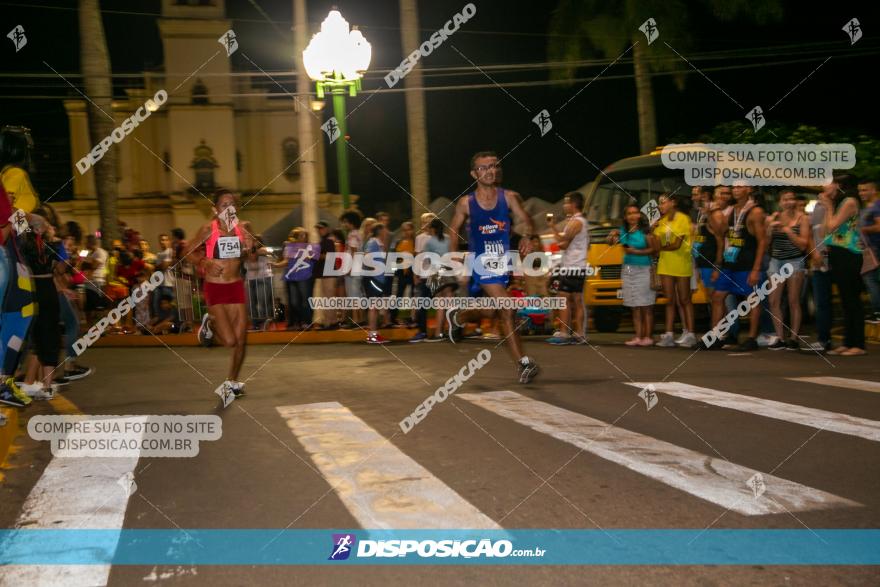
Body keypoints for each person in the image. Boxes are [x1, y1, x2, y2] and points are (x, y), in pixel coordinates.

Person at [448, 151, 539, 383]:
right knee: (507, 308)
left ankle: (459, 317)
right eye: (483, 167)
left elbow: (526, 220)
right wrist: (454, 252)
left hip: (503, 261)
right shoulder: (466, 203)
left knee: (492, 311)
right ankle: (523, 363)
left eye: (493, 166)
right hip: (482, 263)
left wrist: (528, 236)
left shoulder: (508, 197)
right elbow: (453, 229)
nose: (489, 170)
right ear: (473, 173)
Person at [189, 189, 257, 406]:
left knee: (241, 341)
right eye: (223, 205)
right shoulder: (208, 229)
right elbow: (187, 251)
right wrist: (205, 262)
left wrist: (250, 247)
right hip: (215, 287)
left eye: (232, 204)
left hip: (235, 285)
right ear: (214, 209)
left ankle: (232, 382)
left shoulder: (244, 227)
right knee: (229, 341)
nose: (228, 208)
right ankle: (208, 324)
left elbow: (252, 256)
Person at [0, 126, 41, 406]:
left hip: (11, 255)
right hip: (8, 254)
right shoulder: (15, 175)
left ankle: (5, 381)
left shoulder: (7, 175)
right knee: (20, 313)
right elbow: (9, 220)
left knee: (19, 314)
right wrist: (34, 222)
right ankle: (4, 380)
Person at [712, 184, 768, 351]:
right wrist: (712, 213)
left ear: (749, 189)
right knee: (717, 297)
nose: (735, 190)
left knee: (752, 300)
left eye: (740, 187)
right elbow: (720, 234)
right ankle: (715, 336)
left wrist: (756, 269)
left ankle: (751, 338)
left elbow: (762, 241)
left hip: (747, 264)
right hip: (730, 263)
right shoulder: (730, 210)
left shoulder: (755, 211)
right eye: (734, 188)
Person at [820, 175, 866, 355]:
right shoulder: (839, 203)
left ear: (837, 185)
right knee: (845, 301)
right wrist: (828, 206)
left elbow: (831, 226)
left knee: (852, 299)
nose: (824, 187)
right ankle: (848, 342)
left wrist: (828, 206)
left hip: (849, 254)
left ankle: (859, 345)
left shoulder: (849, 202)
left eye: (828, 183)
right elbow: (825, 231)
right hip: (838, 253)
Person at [765, 189, 809, 350]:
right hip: (776, 261)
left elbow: (803, 245)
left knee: (793, 300)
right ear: (780, 202)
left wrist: (787, 229)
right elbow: (766, 242)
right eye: (785, 199)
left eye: (791, 199)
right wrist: (770, 228)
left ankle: (794, 338)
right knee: (774, 301)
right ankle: (780, 337)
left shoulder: (802, 218)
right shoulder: (773, 217)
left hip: (795, 261)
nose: (789, 202)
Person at [609, 204, 657, 345]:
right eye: (629, 213)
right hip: (628, 269)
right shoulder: (624, 230)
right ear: (625, 217)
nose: (632, 216)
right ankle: (638, 336)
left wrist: (637, 252)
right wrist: (613, 235)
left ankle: (648, 337)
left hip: (644, 268)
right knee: (634, 305)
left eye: (635, 213)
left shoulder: (646, 230)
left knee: (646, 305)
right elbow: (618, 245)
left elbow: (654, 250)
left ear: (640, 215)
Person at [653, 192, 696, 347]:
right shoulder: (661, 222)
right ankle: (669, 335)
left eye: (663, 202)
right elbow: (656, 248)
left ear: (673, 202)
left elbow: (677, 244)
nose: (660, 205)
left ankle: (691, 334)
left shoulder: (683, 219)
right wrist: (652, 231)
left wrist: (661, 246)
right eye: (659, 203)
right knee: (669, 300)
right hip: (665, 265)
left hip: (681, 263)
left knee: (685, 299)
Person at [546, 191, 589, 345]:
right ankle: (579, 334)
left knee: (563, 298)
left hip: (573, 266)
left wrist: (555, 231)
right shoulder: (576, 221)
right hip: (577, 265)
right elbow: (564, 241)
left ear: (573, 204)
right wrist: (554, 230)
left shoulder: (577, 222)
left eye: (566, 202)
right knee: (576, 299)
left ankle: (565, 333)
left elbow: (563, 243)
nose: (564, 206)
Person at [695, 186, 731, 349]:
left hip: (713, 263)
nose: (693, 197)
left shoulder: (714, 214)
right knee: (713, 299)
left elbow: (720, 240)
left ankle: (716, 335)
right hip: (704, 262)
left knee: (717, 299)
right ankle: (720, 334)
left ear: (706, 195)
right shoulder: (703, 212)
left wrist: (717, 265)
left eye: (697, 194)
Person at [423, 218, 456, 342]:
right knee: (451, 302)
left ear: (433, 229)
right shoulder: (449, 239)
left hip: (436, 272)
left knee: (440, 304)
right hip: (449, 271)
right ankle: (454, 330)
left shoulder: (430, 241)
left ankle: (439, 333)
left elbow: (426, 261)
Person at [278, 228, 317, 331]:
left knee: (305, 299)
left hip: (305, 276)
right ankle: (298, 321)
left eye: (304, 235)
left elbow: (310, 257)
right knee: (294, 302)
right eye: (300, 235)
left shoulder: (310, 246)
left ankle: (307, 322)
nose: (303, 237)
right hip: (293, 276)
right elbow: (286, 261)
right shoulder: (290, 247)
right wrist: (275, 265)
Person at [409, 213, 436, 343]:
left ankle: (448, 330)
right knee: (422, 305)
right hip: (424, 276)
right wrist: (415, 274)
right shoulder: (420, 238)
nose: (425, 224)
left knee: (445, 304)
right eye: (423, 221)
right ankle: (422, 332)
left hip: (438, 276)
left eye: (428, 221)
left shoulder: (440, 237)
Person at [363, 223, 389, 344]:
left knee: (375, 307)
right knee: (373, 307)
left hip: (379, 279)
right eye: (384, 230)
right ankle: (372, 335)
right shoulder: (372, 242)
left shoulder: (379, 243)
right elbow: (367, 257)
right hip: (374, 279)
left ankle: (374, 334)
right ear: (379, 231)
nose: (386, 232)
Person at [858, 179, 880, 322]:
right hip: (869, 249)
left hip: (875, 249)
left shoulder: (876, 206)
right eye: (860, 190)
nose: (861, 193)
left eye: (865, 190)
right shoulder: (867, 207)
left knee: (870, 279)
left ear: (873, 190)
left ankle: (877, 312)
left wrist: (862, 229)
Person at [340, 211, 364, 327]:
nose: (344, 224)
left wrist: (350, 268)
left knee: (353, 295)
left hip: (353, 268)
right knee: (357, 294)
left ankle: (356, 320)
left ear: (351, 223)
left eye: (345, 222)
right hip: (358, 267)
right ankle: (360, 319)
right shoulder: (358, 233)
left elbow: (353, 252)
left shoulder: (352, 235)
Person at [313, 221, 339, 329]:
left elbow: (330, 256)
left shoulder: (329, 240)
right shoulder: (325, 240)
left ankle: (330, 322)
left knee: (329, 298)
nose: (320, 230)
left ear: (327, 228)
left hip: (329, 273)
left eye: (322, 228)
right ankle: (331, 321)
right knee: (328, 298)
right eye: (318, 228)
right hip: (326, 273)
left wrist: (315, 255)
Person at [390, 221, 415, 327]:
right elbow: (394, 257)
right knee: (399, 295)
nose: (406, 232)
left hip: (412, 272)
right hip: (401, 272)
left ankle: (413, 317)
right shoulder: (398, 242)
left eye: (408, 229)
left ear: (412, 230)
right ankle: (393, 317)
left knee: (414, 295)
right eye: (404, 230)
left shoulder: (415, 242)